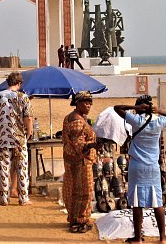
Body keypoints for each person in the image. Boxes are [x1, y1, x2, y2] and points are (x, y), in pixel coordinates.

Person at [114, 95, 166, 244]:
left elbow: (117, 108)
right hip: (153, 167)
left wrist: (135, 108)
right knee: (157, 202)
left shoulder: (136, 120)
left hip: (137, 166)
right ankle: (163, 237)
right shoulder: (159, 122)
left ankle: (138, 238)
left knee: (137, 203)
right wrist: (158, 110)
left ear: (139, 109)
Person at [0, 71, 33, 206]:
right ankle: (23, 198)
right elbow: (28, 117)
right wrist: (29, 132)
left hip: (3, 138)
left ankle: (3, 199)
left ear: (8, 83)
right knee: (21, 168)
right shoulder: (23, 97)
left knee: (4, 168)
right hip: (19, 138)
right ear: (19, 83)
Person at [62, 91, 101, 233]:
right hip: (80, 162)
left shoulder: (71, 118)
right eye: (85, 102)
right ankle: (78, 221)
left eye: (90, 102)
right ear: (77, 103)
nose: (89, 104)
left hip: (73, 161)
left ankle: (76, 218)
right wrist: (93, 145)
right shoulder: (77, 122)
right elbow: (79, 145)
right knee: (83, 192)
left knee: (74, 190)